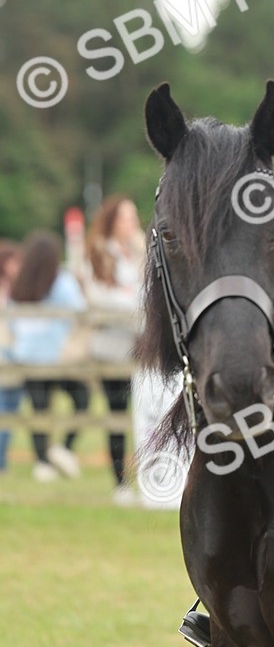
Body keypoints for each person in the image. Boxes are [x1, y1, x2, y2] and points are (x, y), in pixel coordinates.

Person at [6, 232, 86, 481]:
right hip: (55, 357)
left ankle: (42, 462)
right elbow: (81, 310)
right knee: (81, 400)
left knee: (39, 409)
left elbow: (11, 319)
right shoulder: (62, 281)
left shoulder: (20, 283)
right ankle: (63, 447)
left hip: (28, 355)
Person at [85, 195, 145, 504]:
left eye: (133, 217)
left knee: (146, 412)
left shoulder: (140, 250)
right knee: (117, 414)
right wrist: (132, 298)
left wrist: (130, 295)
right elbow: (100, 296)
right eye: (125, 218)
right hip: (111, 346)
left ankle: (150, 477)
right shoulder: (98, 253)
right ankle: (120, 481)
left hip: (142, 343)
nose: (131, 224)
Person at [0, 242, 22, 471]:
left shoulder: (17, 288)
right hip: (5, 352)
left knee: (9, 410)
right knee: (6, 409)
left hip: (13, 351)